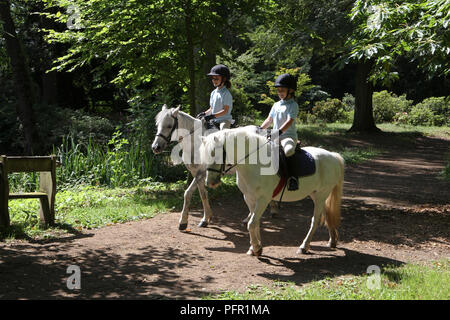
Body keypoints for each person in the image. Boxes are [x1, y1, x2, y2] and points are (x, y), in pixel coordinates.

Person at [259, 73, 299, 191]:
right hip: (275, 136)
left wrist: (279, 132)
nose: (279, 92)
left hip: (288, 136)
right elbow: (269, 119)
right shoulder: (276, 105)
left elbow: (289, 121)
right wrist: (260, 130)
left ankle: (293, 178)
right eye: (278, 90)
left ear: (291, 90)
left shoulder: (293, 105)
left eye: (282, 90)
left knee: (288, 150)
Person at [197, 64, 234, 130]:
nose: (214, 81)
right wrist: (204, 113)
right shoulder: (213, 93)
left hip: (224, 121)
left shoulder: (226, 94)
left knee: (223, 131)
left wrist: (212, 116)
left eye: (216, 79)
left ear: (224, 79)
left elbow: (225, 111)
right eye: (213, 79)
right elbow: (211, 108)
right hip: (214, 120)